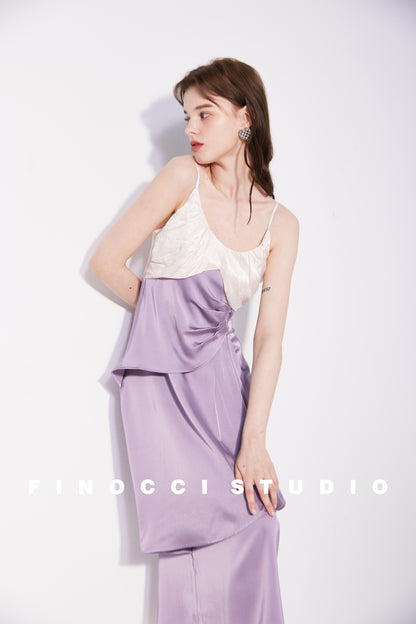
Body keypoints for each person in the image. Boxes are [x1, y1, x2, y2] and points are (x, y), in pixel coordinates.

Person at [89, 57, 299, 624]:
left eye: (205, 114)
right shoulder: (182, 176)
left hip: (224, 384)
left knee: (259, 523)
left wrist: (255, 439)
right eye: (187, 116)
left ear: (245, 118)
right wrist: (169, 319)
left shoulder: (282, 224)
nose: (191, 128)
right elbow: (107, 262)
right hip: (161, 381)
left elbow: (270, 337)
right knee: (192, 530)